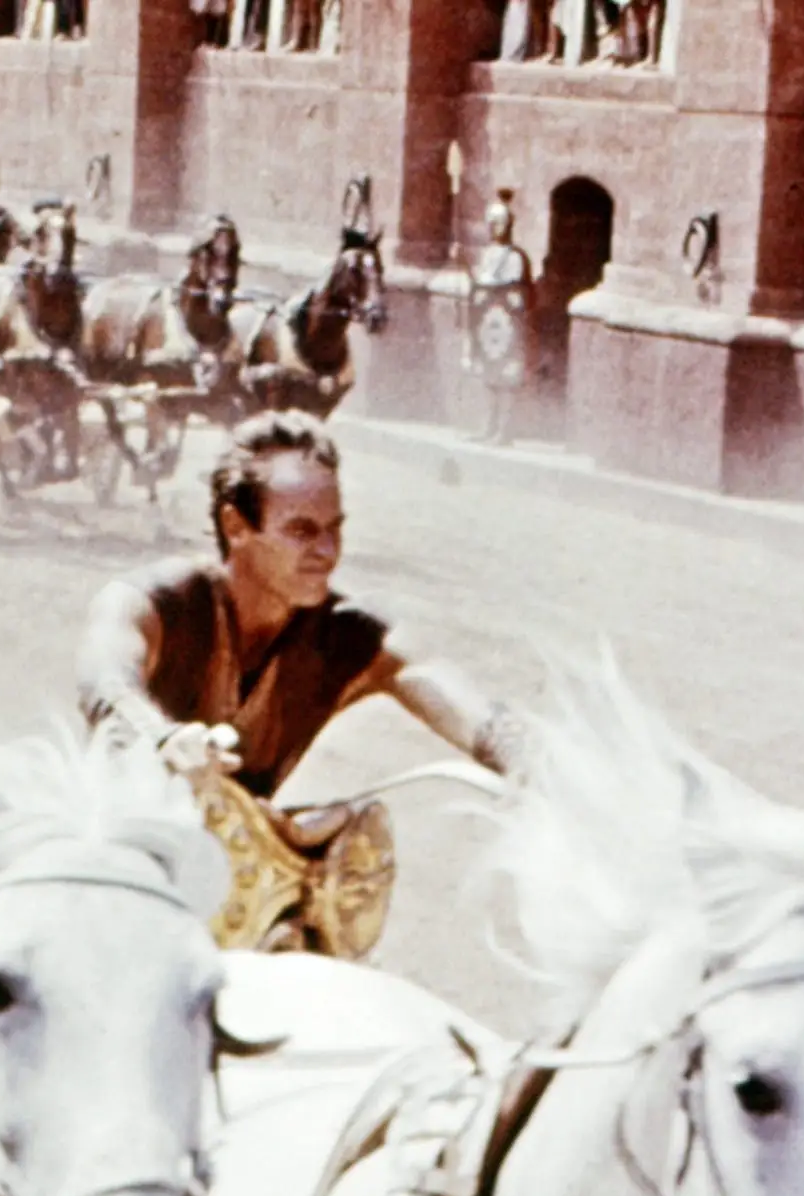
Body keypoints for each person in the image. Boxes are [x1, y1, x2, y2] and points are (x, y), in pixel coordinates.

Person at [78, 413, 522, 799]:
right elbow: (107, 683)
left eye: (334, 529)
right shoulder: (155, 604)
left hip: (239, 880)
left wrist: (527, 762)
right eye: (302, 531)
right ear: (235, 526)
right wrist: (162, 739)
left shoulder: (352, 637)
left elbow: (469, 710)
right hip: (116, 860)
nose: (328, 551)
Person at [463, 192, 534, 444]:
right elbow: (483, 282)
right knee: (489, 375)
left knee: (507, 376)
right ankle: (488, 426)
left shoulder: (515, 257)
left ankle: (505, 431)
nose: (495, 229)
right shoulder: (487, 254)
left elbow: (515, 290)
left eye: (500, 223)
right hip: (488, 325)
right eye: (491, 223)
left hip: (507, 326)